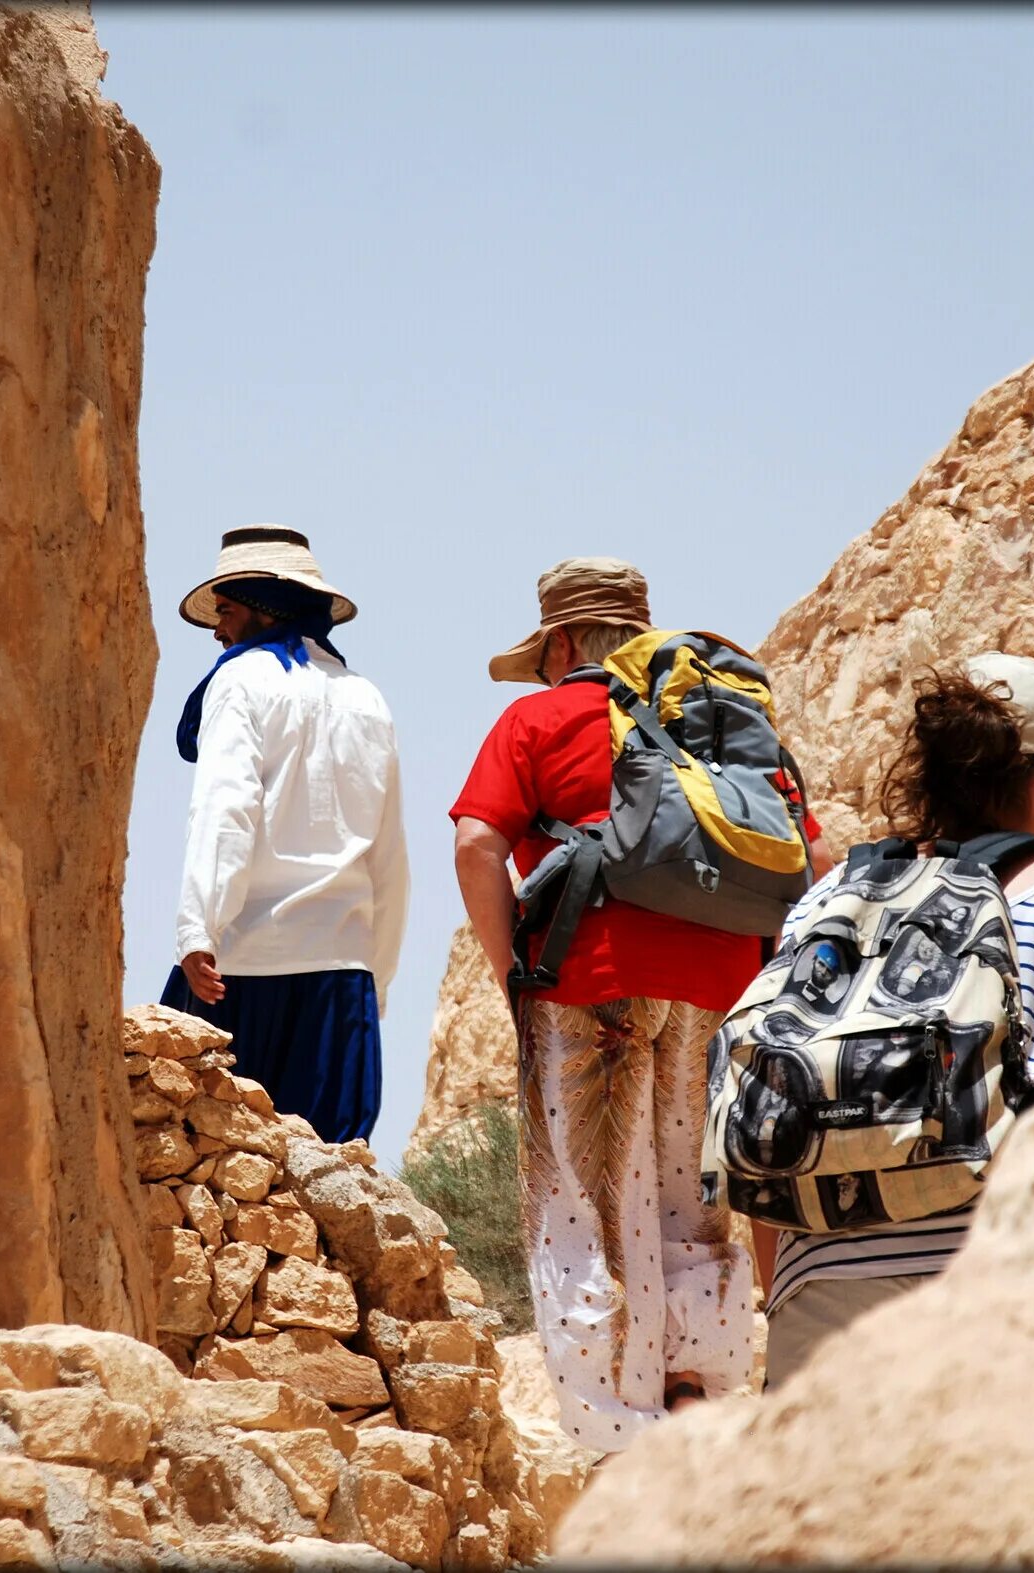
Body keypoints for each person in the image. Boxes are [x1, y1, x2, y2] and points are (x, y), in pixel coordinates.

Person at [450, 556, 809, 1453]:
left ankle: (623, 1453)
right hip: (718, 990)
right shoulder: (714, 717)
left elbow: (474, 845)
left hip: (587, 984)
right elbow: (806, 848)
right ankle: (696, 1400)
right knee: (692, 1206)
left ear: (562, 641)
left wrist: (514, 982)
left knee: (590, 1218)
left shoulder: (538, 715)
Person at [757, 651, 1034, 1388]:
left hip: (820, 1285)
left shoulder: (828, 902)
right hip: (998, 1275)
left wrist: (786, 1286)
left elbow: (774, 1083)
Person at [163, 526, 406, 1145]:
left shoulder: (240, 681)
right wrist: (376, 973)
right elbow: (388, 851)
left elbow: (224, 810)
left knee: (205, 1174)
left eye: (227, 611)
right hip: (342, 977)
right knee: (332, 1183)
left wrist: (198, 929)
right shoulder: (367, 698)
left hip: (244, 965)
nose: (218, 631)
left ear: (264, 608)